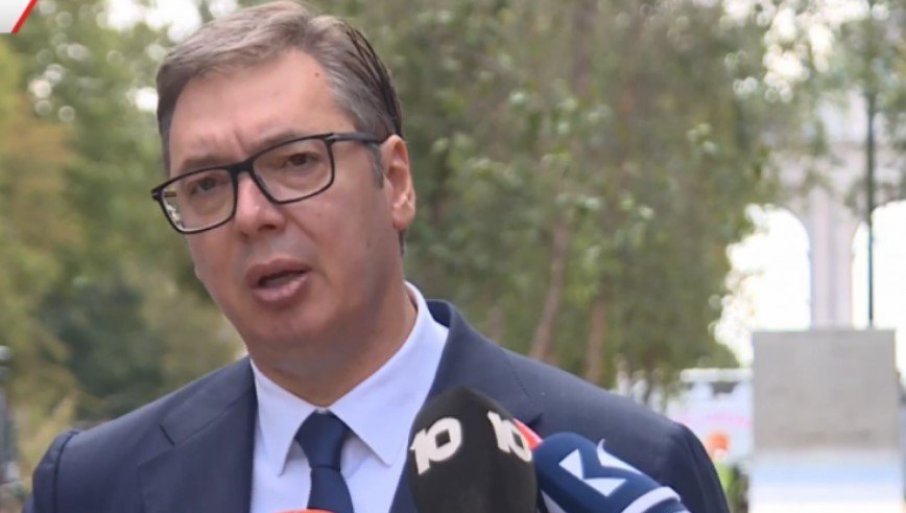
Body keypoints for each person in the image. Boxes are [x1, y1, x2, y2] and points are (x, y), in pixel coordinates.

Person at [25, 2, 729, 512]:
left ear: (394, 182)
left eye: (296, 161)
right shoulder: (92, 485)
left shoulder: (626, 464)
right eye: (207, 184)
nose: (251, 214)